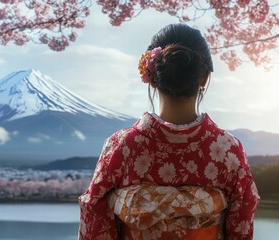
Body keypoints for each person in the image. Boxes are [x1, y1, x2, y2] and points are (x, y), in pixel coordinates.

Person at [78, 23, 259, 240]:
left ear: (152, 79)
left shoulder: (120, 147)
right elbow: (241, 226)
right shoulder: (228, 151)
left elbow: (93, 212)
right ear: (203, 79)